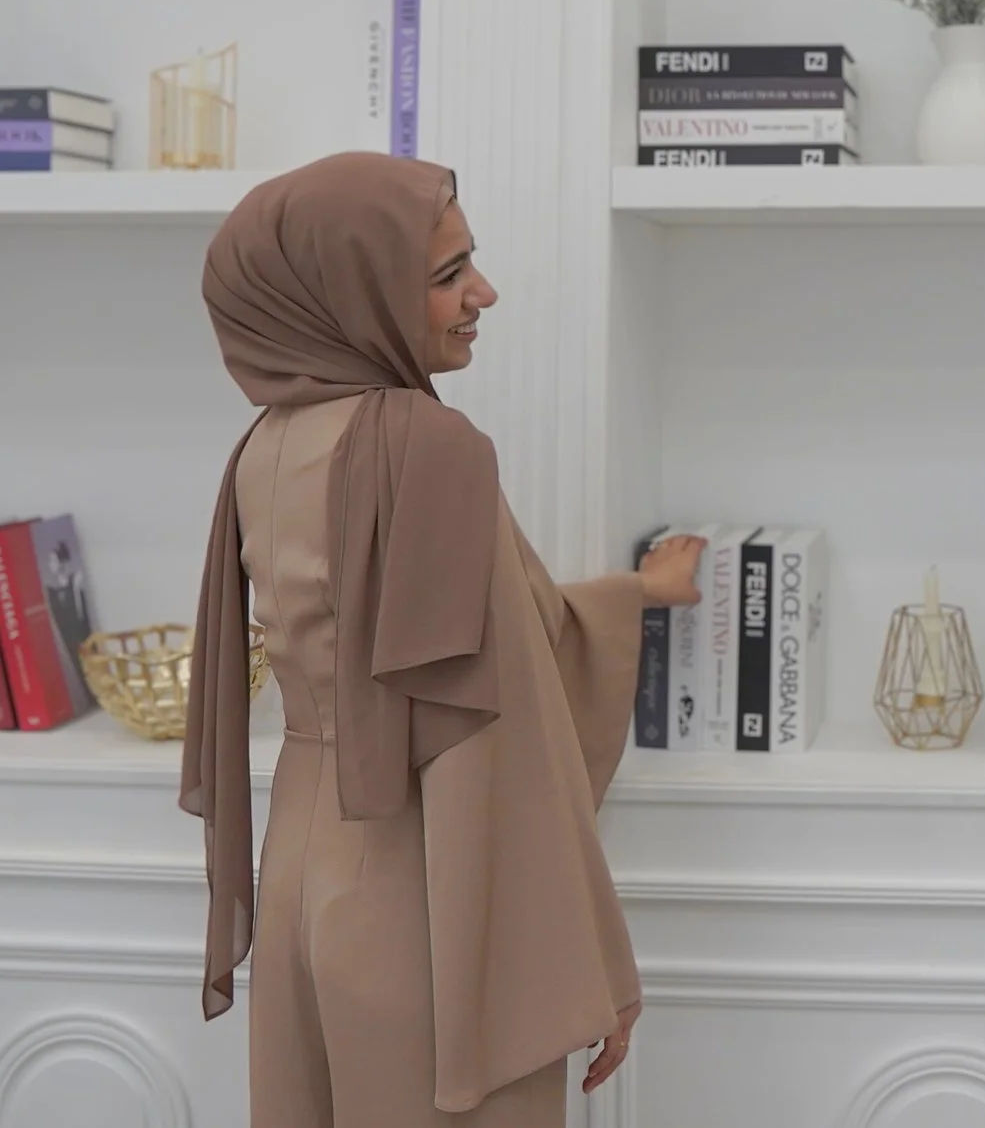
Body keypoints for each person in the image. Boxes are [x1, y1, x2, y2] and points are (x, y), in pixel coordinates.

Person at [180, 152, 708, 1126]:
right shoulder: (426, 448)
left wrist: (637, 589)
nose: (483, 294)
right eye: (444, 275)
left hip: (300, 883)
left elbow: (457, 645)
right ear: (358, 292)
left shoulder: (263, 445)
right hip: (417, 904)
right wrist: (587, 960)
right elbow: (490, 734)